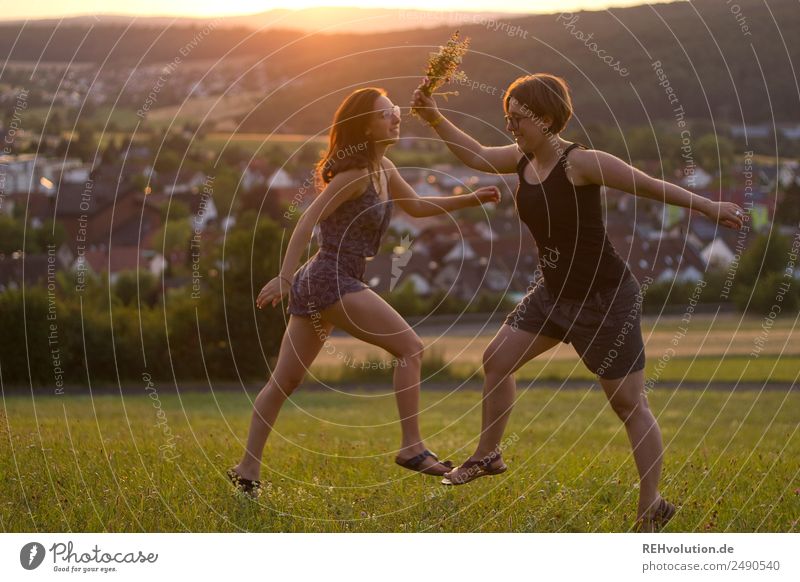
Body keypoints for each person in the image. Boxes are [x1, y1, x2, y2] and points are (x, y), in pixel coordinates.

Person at [412, 73, 744, 531]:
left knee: (629, 404)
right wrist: (433, 118)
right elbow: (477, 154)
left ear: (546, 120)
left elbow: (646, 185)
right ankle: (487, 454)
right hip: (552, 295)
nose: (511, 128)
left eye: (519, 119)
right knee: (496, 361)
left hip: (605, 298)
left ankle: (652, 505)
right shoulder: (522, 160)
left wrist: (709, 207)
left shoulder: (581, 163)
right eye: (507, 119)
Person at [227, 87, 501, 497]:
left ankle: (247, 468)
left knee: (284, 382)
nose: (396, 117)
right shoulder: (354, 177)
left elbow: (417, 206)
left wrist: (470, 199)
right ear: (365, 127)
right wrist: (284, 278)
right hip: (329, 277)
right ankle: (411, 446)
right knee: (410, 348)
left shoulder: (383, 167)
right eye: (385, 113)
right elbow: (306, 222)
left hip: (324, 280)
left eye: (394, 110)